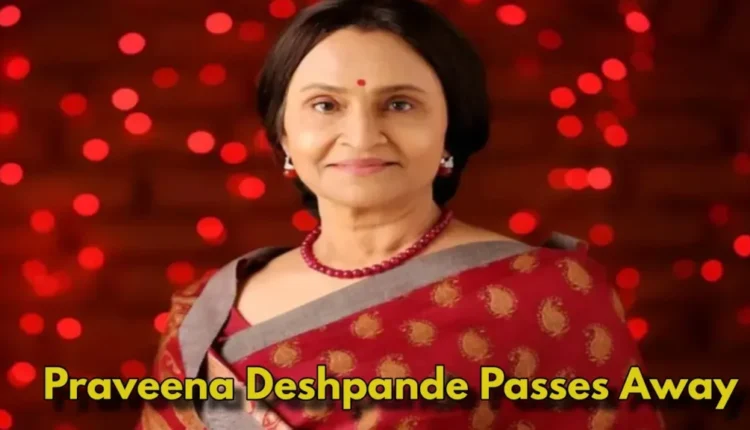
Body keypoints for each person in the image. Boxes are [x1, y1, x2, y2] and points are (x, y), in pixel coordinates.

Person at [137, 0, 664, 428]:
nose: (362, 136)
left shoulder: (547, 295)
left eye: (400, 104)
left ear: (450, 129)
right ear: (284, 135)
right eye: (325, 105)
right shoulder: (209, 310)